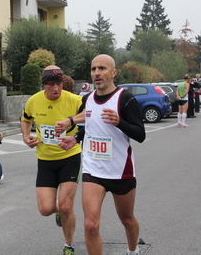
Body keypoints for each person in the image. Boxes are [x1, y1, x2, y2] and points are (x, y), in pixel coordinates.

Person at [55, 54, 146, 255]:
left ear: (113, 73)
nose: (97, 73)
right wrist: (76, 138)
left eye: (102, 68)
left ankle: (133, 251)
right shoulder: (87, 99)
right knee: (90, 225)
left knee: (127, 219)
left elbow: (140, 135)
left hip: (120, 171)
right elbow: (92, 125)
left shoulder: (125, 98)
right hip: (93, 170)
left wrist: (119, 122)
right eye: (94, 69)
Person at [21, 65, 83, 255]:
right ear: (44, 85)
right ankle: (61, 210)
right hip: (45, 159)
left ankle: (69, 244)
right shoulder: (34, 101)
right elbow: (26, 119)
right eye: (50, 84)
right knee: (45, 209)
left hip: (70, 157)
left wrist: (71, 120)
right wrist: (25, 137)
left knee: (66, 206)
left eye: (58, 83)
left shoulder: (75, 100)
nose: (55, 88)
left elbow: (91, 115)